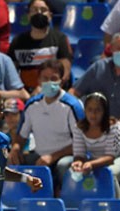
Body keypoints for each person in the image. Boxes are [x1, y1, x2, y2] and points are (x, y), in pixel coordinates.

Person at [8, 59, 83, 193]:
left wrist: (53, 156)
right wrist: (15, 148)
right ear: (39, 80)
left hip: (66, 156)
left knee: (62, 166)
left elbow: (81, 142)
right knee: (11, 162)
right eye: (45, 78)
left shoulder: (73, 106)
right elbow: (21, 136)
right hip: (40, 155)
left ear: (61, 80)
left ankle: (63, 198)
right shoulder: (32, 105)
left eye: (53, 78)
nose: (49, 82)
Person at [70, 92, 120, 197]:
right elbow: (79, 154)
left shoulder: (114, 126)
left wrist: (91, 164)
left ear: (104, 112)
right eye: (90, 110)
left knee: (109, 172)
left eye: (98, 110)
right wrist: (78, 162)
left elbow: (110, 157)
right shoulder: (79, 128)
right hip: (96, 160)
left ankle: (116, 205)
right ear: (85, 111)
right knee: (67, 168)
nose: (93, 114)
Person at [7, 0, 73, 92]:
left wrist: (46, 91)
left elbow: (65, 73)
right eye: (34, 10)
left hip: (52, 92)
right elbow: (10, 74)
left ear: (50, 15)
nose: (39, 13)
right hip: (26, 93)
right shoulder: (18, 42)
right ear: (28, 15)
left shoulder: (60, 39)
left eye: (43, 10)